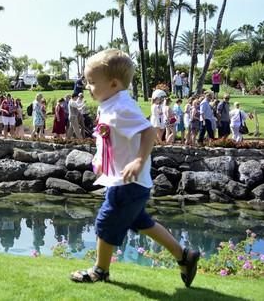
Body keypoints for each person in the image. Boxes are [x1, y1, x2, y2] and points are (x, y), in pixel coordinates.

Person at [70, 49, 199, 287]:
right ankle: (185, 256)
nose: (88, 87)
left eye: (92, 82)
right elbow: (109, 137)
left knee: (106, 221)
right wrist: (101, 160)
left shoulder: (121, 106)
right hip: (124, 180)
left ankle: (100, 270)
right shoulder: (108, 104)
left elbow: (148, 131)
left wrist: (139, 160)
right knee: (141, 221)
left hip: (128, 182)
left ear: (114, 83)